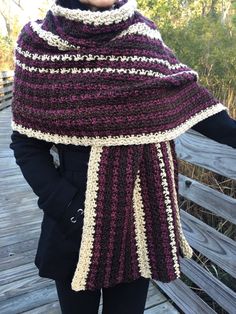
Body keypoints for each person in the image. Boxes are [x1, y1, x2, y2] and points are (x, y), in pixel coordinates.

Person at [9, 0, 236, 313]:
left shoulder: (144, 38)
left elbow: (188, 98)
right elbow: (26, 144)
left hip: (139, 220)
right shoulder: (39, 46)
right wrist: (70, 208)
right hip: (75, 220)